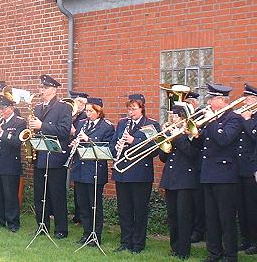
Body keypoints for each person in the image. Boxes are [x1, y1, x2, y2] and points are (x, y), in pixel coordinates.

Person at [192, 83, 243, 262]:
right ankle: (214, 253)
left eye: (212, 99)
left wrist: (212, 121)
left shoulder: (234, 118)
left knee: (226, 217)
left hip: (225, 174)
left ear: (221, 100)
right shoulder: (211, 119)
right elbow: (202, 145)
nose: (209, 103)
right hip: (208, 174)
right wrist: (194, 135)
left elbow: (223, 140)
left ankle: (230, 255)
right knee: (211, 217)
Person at [111, 93, 161, 253]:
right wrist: (117, 147)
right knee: (124, 210)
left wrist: (134, 141)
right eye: (129, 109)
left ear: (142, 108)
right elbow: (112, 143)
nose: (130, 112)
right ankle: (125, 242)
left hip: (141, 175)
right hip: (122, 173)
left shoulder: (151, 125)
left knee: (139, 210)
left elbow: (155, 150)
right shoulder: (122, 123)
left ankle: (138, 244)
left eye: (133, 109)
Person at [28, 74, 72, 239]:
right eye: (41, 87)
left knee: (57, 194)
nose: (41, 90)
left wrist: (42, 126)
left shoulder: (63, 107)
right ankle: (42, 226)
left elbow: (64, 131)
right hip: (40, 156)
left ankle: (61, 229)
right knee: (40, 194)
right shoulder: (38, 108)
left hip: (56, 157)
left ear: (54, 90)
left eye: (45, 88)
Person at [70, 97, 114, 246]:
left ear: (98, 111)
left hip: (95, 170)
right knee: (82, 204)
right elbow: (78, 141)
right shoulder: (82, 123)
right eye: (87, 110)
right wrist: (75, 144)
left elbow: (107, 149)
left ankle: (96, 235)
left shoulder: (106, 127)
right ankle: (86, 233)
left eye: (90, 111)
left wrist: (88, 139)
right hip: (80, 169)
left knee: (94, 205)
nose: (87, 114)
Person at [159, 104, 199, 259]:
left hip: (185, 180)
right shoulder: (173, 133)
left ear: (184, 119)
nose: (173, 120)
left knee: (184, 216)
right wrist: (165, 140)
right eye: (172, 117)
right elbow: (163, 158)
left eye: (176, 117)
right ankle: (174, 247)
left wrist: (178, 137)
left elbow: (192, 153)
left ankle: (184, 250)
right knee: (173, 216)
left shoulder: (191, 134)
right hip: (170, 179)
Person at [0, 94, 26, 232]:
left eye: (3, 108)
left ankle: (13, 223)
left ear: (11, 108)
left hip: (10, 164)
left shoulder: (19, 122)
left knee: (10, 196)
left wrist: (1, 132)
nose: (0, 111)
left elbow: (17, 142)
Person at [237, 83, 257, 255]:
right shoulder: (243, 115)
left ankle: (255, 242)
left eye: (249, 98)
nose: (246, 101)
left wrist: (248, 119)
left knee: (252, 206)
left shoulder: (252, 117)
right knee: (241, 206)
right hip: (239, 167)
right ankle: (245, 239)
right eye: (245, 98)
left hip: (252, 168)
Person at [185, 91, 206, 244]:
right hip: (185, 164)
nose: (189, 105)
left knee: (198, 200)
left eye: (190, 102)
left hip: (198, 162)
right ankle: (189, 228)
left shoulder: (202, 116)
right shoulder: (182, 117)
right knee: (189, 201)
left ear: (194, 103)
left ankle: (198, 231)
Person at [69, 90, 88, 224]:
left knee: (82, 190)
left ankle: (80, 216)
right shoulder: (76, 116)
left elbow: (76, 132)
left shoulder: (83, 117)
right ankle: (78, 215)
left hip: (84, 156)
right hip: (77, 156)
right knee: (77, 188)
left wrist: (73, 131)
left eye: (78, 102)